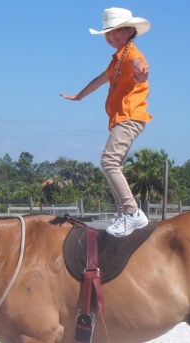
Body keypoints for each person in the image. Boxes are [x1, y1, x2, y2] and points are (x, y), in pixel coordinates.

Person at [60, 7, 152, 237]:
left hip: (130, 117)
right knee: (114, 165)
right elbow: (99, 80)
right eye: (107, 34)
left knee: (108, 162)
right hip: (121, 118)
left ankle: (132, 214)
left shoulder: (131, 55)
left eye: (115, 32)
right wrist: (79, 96)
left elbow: (139, 63)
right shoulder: (116, 61)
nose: (110, 37)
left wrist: (142, 72)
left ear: (130, 31)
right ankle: (124, 213)